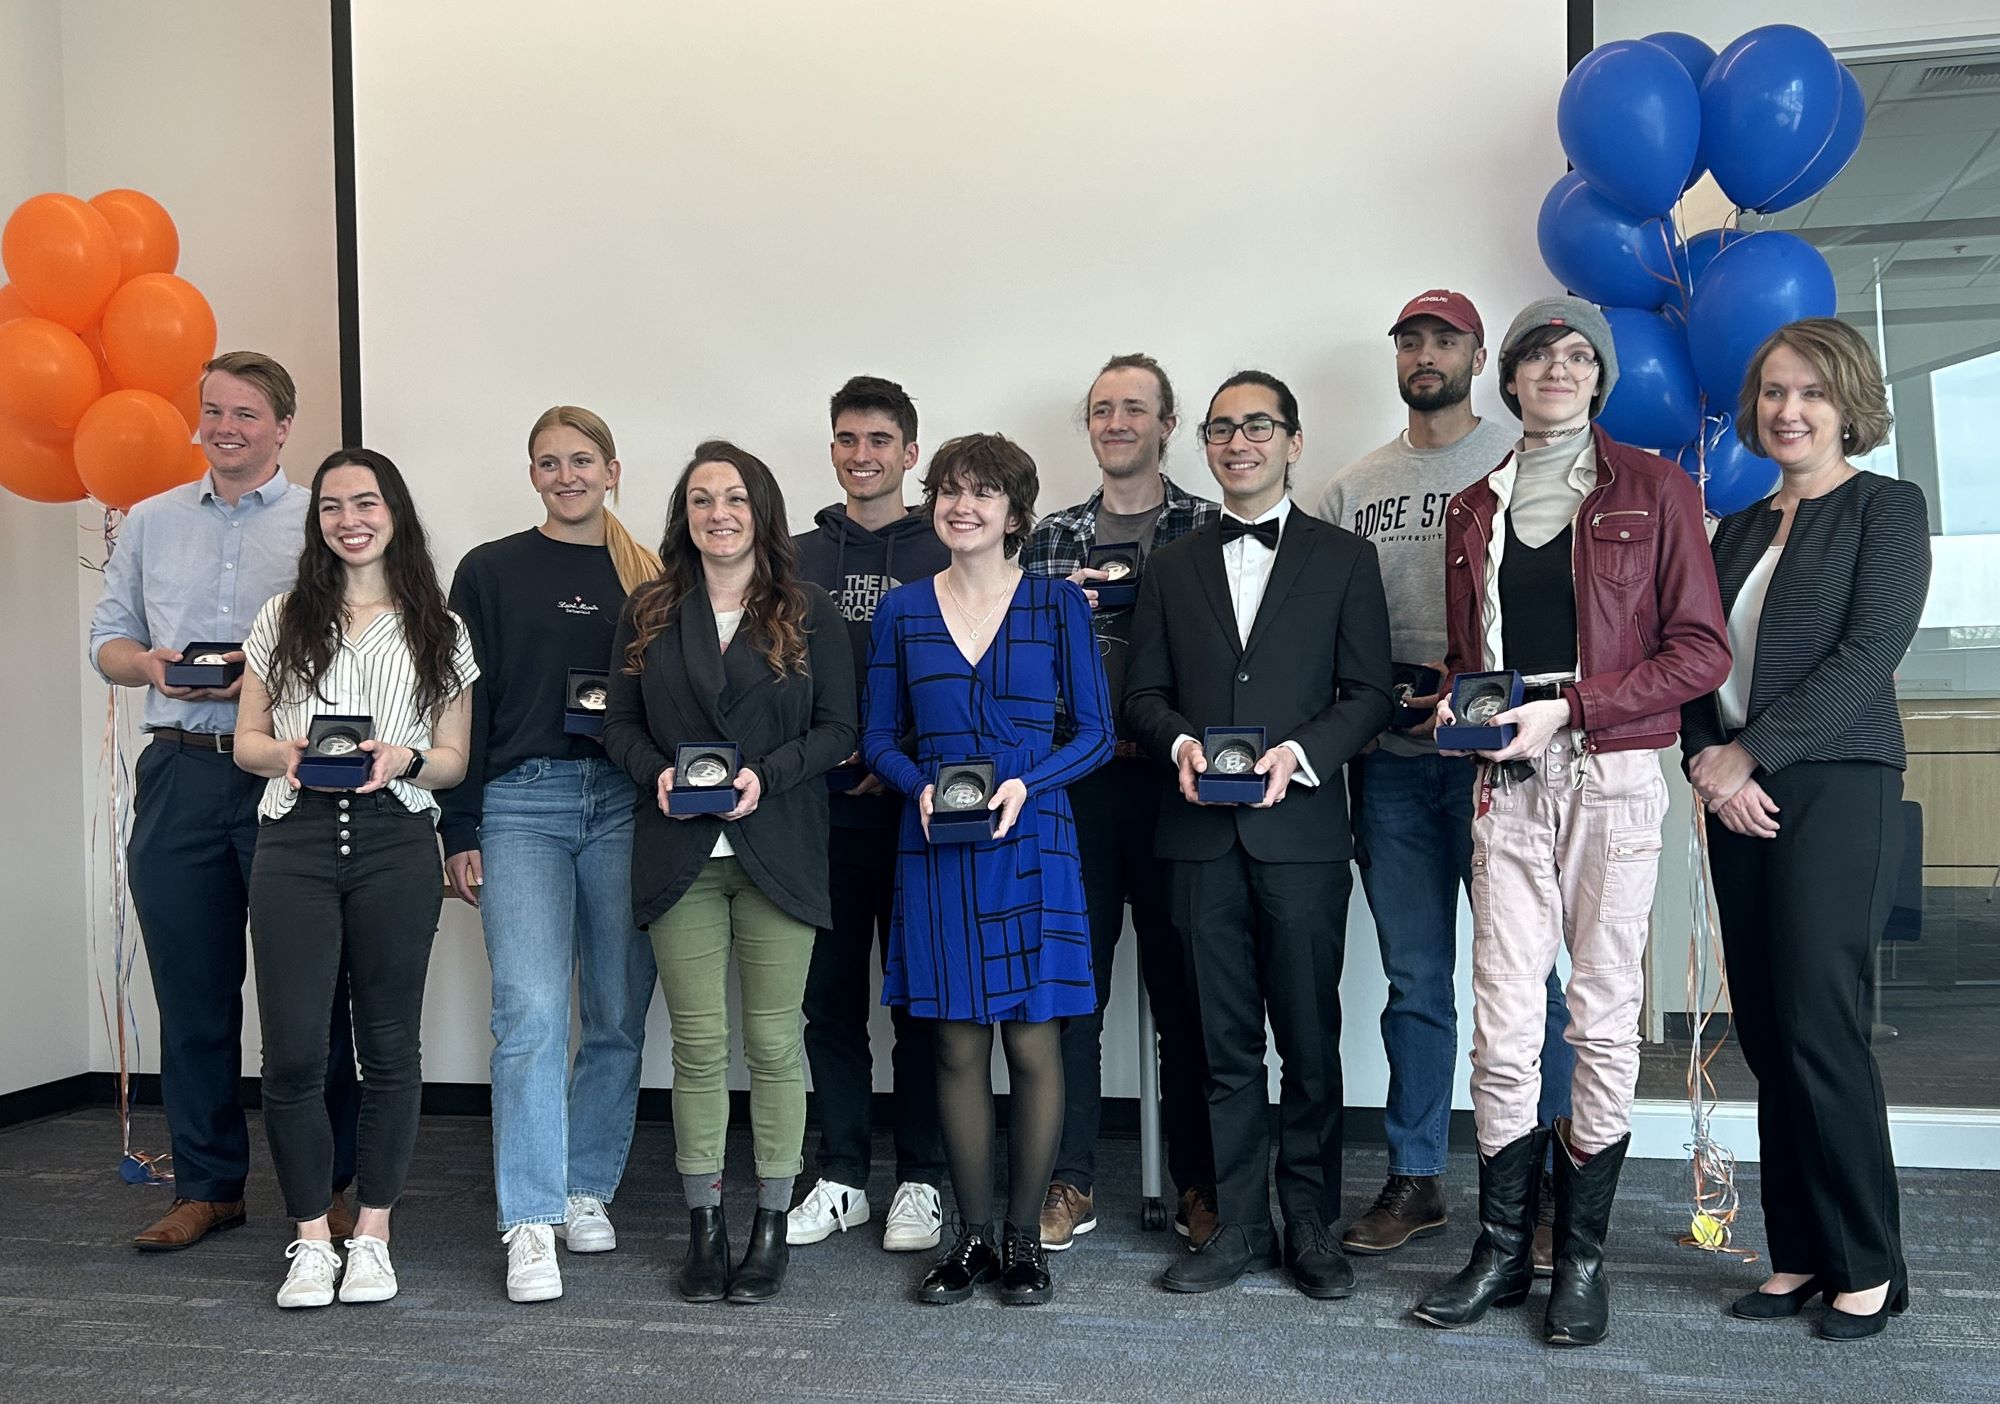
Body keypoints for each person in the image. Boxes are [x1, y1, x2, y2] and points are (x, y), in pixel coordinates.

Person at [1413, 297, 1729, 1347]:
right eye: (1536, 354)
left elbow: (1698, 653)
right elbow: (1472, 657)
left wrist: (1572, 707)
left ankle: (1577, 1257)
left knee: (1596, 1014)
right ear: (1506, 378)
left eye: (1574, 354)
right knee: (1502, 1016)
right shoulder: (1471, 504)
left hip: (1613, 771)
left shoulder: (1654, 487)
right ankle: (1501, 1248)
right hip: (1504, 779)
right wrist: (1460, 707)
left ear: (1597, 375)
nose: (1555, 367)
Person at [1313, 292, 1574, 1267]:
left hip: (1498, 771)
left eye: (1444, 340)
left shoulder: (1522, 469)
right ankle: (1417, 1174)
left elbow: (1564, 617)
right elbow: (1323, 632)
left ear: (1478, 357)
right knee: (1413, 982)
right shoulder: (1347, 490)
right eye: (1410, 341)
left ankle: (1544, 1183)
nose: (1425, 355)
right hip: (1390, 771)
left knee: (1522, 982)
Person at [1682, 318, 1929, 1340]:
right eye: (1773, 392)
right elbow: (1691, 657)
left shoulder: (1884, 508)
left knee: (1822, 1028)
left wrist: (1753, 752)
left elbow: (1866, 651)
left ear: (1845, 404)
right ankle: (1795, 1252)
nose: (1787, 410)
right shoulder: (1731, 526)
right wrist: (1707, 760)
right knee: (1770, 1034)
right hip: (1733, 792)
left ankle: (1866, 1262)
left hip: (1835, 786)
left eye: (1809, 393)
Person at [1124, 370, 1393, 1299]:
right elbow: (1143, 697)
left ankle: (1309, 1222)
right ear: (1202, 444)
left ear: (1293, 440)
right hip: (1197, 839)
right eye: (1221, 430)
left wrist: (1300, 757)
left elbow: (1369, 694)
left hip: (1304, 834)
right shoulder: (1171, 565)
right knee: (1218, 1042)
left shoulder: (1344, 559)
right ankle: (1237, 1225)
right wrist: (1183, 744)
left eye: (1257, 427)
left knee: (1312, 1040)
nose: (1238, 443)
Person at [87, 352, 362, 1253]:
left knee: (309, 996)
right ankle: (208, 1187)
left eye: (246, 413)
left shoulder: (323, 521)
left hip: (286, 773)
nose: (226, 427)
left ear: (284, 427)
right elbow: (109, 643)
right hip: (177, 772)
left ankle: (329, 1189)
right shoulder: (155, 522)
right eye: (213, 412)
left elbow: (365, 636)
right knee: (193, 994)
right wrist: (150, 665)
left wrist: (271, 673)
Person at [601, 441, 856, 1306]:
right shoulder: (648, 608)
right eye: (702, 499)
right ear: (685, 516)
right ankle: (704, 1225)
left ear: (762, 511)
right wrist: (657, 775)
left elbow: (836, 730)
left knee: (777, 1043)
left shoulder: (808, 607)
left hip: (777, 848)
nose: (719, 512)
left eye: (735, 498)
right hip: (679, 857)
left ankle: (771, 1224)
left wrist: (765, 778)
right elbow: (619, 728)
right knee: (701, 1048)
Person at [862, 432, 1111, 1307]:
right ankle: (969, 1241)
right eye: (949, 492)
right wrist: (915, 789)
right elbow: (877, 739)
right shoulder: (900, 610)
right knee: (956, 1047)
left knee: (1036, 1043)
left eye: (983, 493)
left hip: (1034, 842)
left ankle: (1023, 1242)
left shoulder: (1056, 607)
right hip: (936, 850)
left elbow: (1095, 735)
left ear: (1015, 511)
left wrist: (1023, 782)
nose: (962, 506)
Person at [234, 448, 477, 1308]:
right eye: (333, 507)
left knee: (388, 1051)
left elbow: (452, 761)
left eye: (366, 503)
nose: (350, 520)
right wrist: (291, 754)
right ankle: (310, 1240)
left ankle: (372, 1234)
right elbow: (247, 743)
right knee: (294, 1052)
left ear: (395, 513)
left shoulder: (439, 628)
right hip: (293, 842)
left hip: (394, 842)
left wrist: (407, 755)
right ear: (319, 522)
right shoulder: (283, 616)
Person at [441, 407, 662, 1302]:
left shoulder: (651, 578)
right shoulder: (489, 570)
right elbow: (460, 702)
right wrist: (457, 826)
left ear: (614, 470)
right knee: (529, 1011)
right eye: (548, 463)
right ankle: (527, 1220)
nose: (565, 476)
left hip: (625, 804)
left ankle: (584, 1189)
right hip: (519, 803)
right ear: (531, 473)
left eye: (582, 461)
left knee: (615, 1008)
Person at [1020, 353, 1219, 1252]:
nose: (1116, 422)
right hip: (1080, 793)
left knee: (1188, 995)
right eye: (1101, 409)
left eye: (1134, 408)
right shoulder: (1049, 538)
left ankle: (1198, 1182)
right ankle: (1070, 1179)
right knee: (1073, 993)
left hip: (1181, 788)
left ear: (1167, 423)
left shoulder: (1210, 529)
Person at [789, 376, 950, 1254]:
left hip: (924, 812)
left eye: (880, 440)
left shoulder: (947, 547)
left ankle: (922, 1177)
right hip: (819, 813)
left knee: (923, 999)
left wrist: (904, 767)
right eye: (848, 439)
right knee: (829, 1002)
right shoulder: (795, 556)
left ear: (910, 453)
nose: (863, 455)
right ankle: (843, 1171)